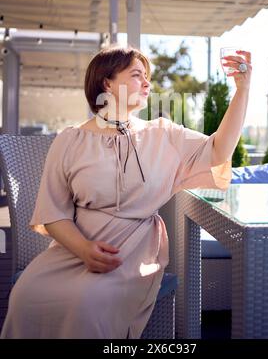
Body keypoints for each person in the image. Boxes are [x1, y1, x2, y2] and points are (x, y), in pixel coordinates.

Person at [1, 45, 251, 339]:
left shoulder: (163, 134)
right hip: (73, 249)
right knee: (25, 295)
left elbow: (219, 149)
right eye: (136, 75)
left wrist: (242, 90)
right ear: (107, 83)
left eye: (147, 76)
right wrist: (83, 250)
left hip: (130, 253)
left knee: (87, 304)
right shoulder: (70, 140)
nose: (147, 83)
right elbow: (53, 214)